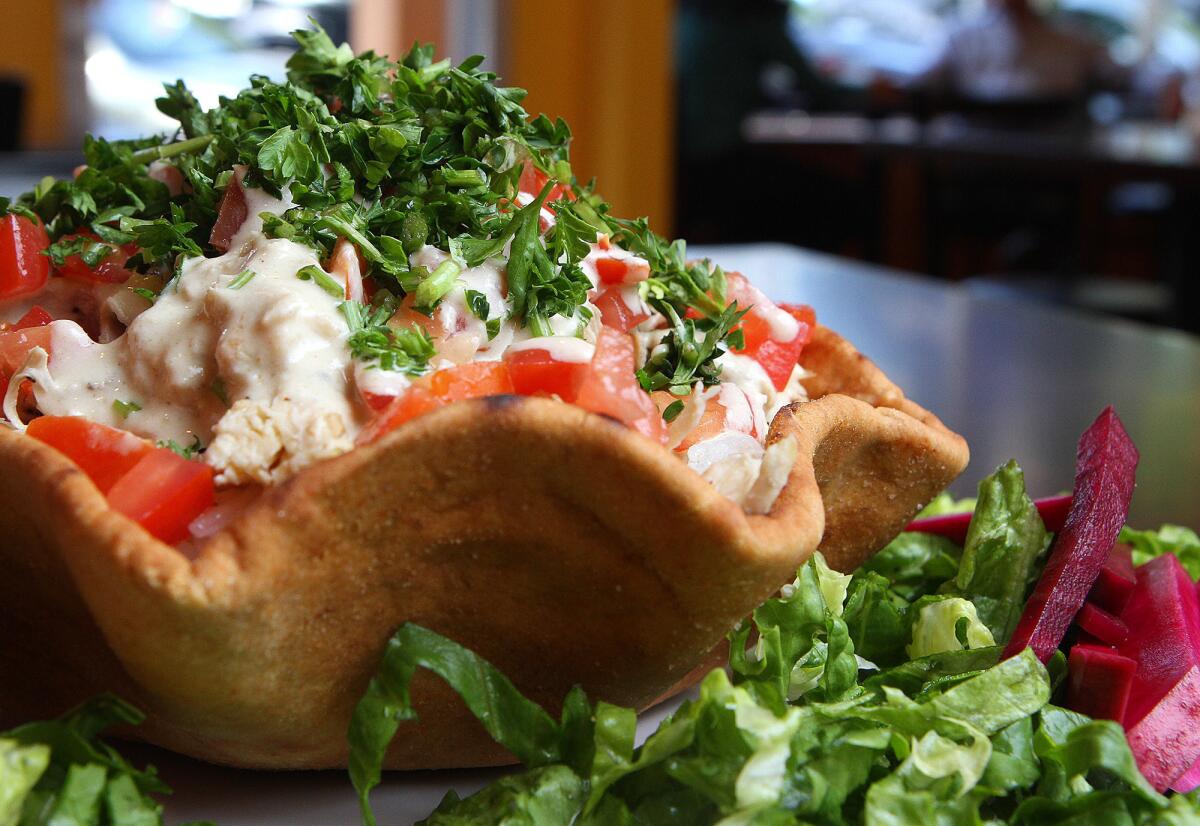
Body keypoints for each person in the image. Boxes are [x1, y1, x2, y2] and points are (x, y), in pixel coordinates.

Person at [912, 0, 1130, 106]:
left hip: (1057, 162)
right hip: (971, 159)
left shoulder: (1074, 39)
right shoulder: (959, 37)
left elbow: (1129, 77)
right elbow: (919, 83)